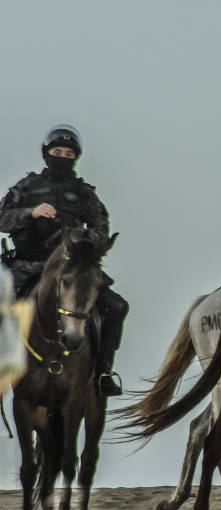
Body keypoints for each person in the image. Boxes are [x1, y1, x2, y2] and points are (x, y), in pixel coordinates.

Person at [0, 124, 128, 397]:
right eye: (57, 151)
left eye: (68, 153)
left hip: (70, 269)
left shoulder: (84, 193)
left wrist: (79, 238)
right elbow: (2, 218)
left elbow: (101, 228)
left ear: (76, 157)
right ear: (46, 154)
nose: (62, 156)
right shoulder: (27, 186)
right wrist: (30, 212)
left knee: (117, 307)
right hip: (27, 266)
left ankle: (104, 372)